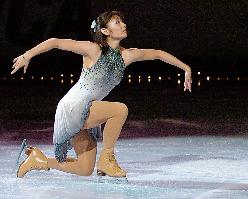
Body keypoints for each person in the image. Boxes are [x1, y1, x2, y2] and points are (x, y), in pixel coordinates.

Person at [11, 10, 192, 179]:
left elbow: (158, 54)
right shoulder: (93, 49)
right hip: (74, 106)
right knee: (119, 110)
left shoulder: (127, 56)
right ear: (105, 30)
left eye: (122, 21)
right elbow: (55, 42)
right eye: (117, 22)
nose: (123, 25)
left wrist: (186, 68)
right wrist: (27, 55)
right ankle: (107, 159)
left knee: (84, 168)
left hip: (88, 110)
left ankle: (39, 160)